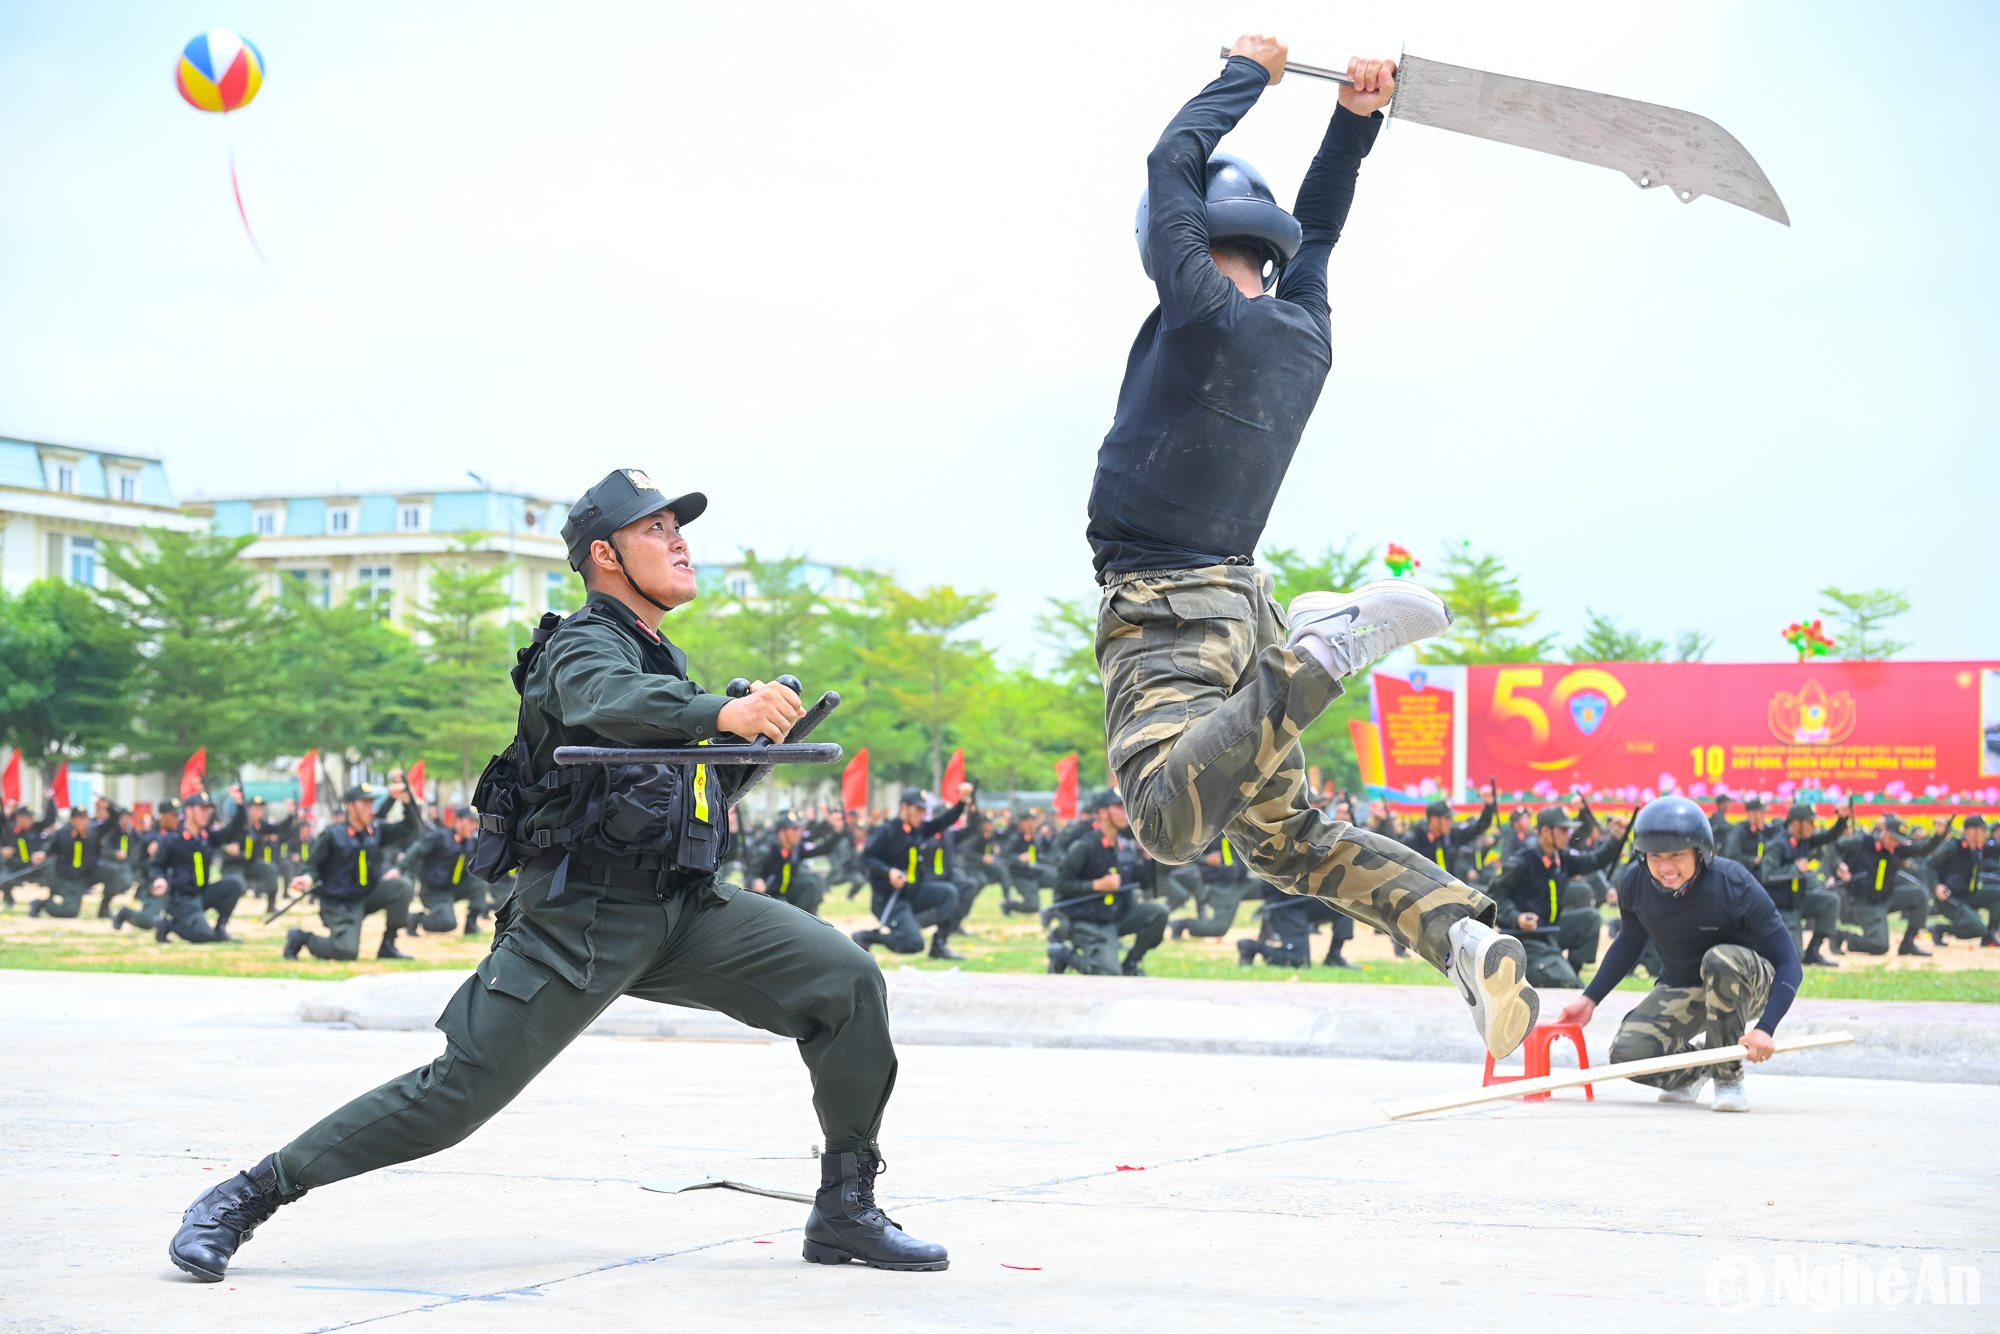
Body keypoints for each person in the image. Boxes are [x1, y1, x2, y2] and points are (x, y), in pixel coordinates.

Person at [170, 468, 946, 1283]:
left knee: (847, 980)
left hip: (684, 911)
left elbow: (663, 771)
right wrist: (719, 711)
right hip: (578, 920)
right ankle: (247, 1196)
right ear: (605, 555)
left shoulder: (657, 656)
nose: (680, 541)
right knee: (453, 1098)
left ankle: (845, 1210)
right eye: (657, 530)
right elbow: (603, 698)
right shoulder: (579, 644)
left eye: (679, 527)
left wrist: (737, 745)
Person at [1087, 34, 1535, 1059]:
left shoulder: (1192, 307)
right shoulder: (1303, 331)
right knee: (1287, 838)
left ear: (1191, 247)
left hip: (1172, 608)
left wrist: (1248, 74)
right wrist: (1352, 122)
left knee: (1164, 816)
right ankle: (1462, 933)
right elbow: (1319, 231)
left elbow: (1170, 166)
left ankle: (1323, 654)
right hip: (1242, 602)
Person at [1557, 795, 1803, 1113]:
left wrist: (1765, 1028)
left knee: (1720, 959)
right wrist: (1589, 999)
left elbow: (1789, 963)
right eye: (1655, 856)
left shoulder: (1733, 883)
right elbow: (1629, 942)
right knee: (1629, 1053)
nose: (1665, 866)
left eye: (1677, 855)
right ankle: (1692, 1076)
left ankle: (1728, 1079)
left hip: (1748, 984)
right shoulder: (1634, 882)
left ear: (1700, 853)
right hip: (1685, 984)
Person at [1491, 806, 1626, 989]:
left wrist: (1616, 837)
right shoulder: (1522, 861)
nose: (1568, 834)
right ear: (1546, 831)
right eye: (1563, 830)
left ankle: (1570, 969)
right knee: (1569, 983)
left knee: (1591, 918)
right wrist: (1517, 918)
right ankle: (1558, 973)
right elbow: (1495, 897)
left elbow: (1594, 860)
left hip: (1550, 931)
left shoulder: (1561, 858)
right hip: (1525, 938)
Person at [280, 786, 417, 961]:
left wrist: (406, 802)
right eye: (365, 803)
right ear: (351, 807)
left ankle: (388, 946)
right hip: (340, 903)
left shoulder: (375, 831)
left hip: (366, 895)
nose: (371, 809)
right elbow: (311, 865)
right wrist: (307, 878)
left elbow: (410, 828)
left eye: (372, 803)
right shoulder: (333, 835)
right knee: (345, 952)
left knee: (402, 886)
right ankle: (301, 938)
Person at [1045, 791, 1169, 977]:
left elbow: (1143, 884)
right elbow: (1061, 884)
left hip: (1117, 916)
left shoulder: (1125, 846)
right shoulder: (1084, 846)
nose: (1124, 813)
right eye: (1119, 807)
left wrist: (1148, 859)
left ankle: (1131, 963)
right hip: (1088, 921)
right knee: (1108, 974)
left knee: (1158, 912)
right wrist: (1096, 885)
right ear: (1103, 813)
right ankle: (1063, 955)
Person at [855, 788, 969, 960]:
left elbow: (944, 821)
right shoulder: (888, 831)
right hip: (890, 898)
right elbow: (866, 858)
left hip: (913, 892)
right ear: (904, 807)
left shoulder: (919, 829)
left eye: (924, 810)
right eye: (918, 809)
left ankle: (938, 944)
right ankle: (866, 937)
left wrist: (962, 802)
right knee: (913, 944)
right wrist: (889, 872)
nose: (922, 814)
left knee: (949, 893)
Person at [1834, 811, 1952, 956]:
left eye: (1898, 840)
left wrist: (1939, 835)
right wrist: (1838, 865)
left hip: (1886, 897)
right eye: (1892, 838)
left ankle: (1908, 943)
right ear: (1884, 831)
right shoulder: (1863, 842)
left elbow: (1923, 848)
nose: (1895, 843)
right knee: (1879, 946)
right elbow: (1834, 848)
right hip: (1863, 901)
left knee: (1920, 895)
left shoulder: (1897, 849)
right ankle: (1842, 936)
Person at [1755, 802, 1848, 966]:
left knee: (1830, 901)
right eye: (1810, 822)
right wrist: (1795, 868)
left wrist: (1842, 820)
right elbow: (1767, 875)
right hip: (1783, 908)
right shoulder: (1777, 845)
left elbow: (1829, 836)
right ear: (1797, 823)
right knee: (1794, 957)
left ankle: (1813, 951)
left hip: (1799, 901)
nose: (1814, 826)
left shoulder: (1804, 841)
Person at [149, 793, 246, 944]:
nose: (207, 814)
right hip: (181, 898)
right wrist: (159, 880)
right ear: (188, 811)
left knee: (234, 884)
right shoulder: (173, 839)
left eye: (208, 810)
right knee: (204, 937)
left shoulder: (206, 837)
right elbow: (157, 866)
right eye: (202, 809)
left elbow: (232, 830)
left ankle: (220, 929)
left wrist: (240, 805)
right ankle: (168, 925)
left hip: (202, 893)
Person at [403, 805, 490, 937]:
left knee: (479, 879)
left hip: (454, 888)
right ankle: (416, 919)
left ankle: (471, 924)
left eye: (476, 823)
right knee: (447, 923)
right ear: (459, 821)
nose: (474, 827)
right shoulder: (440, 837)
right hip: (434, 891)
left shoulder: (471, 842)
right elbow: (416, 851)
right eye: (471, 822)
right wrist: (400, 869)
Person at [1930, 814, 2000, 947]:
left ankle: (1990, 936)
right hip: (1949, 897)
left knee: (1998, 893)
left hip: (1969, 894)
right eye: (1982, 830)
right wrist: (1936, 885)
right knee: (1978, 928)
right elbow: (1930, 866)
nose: (1986, 834)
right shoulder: (1953, 848)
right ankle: (1940, 929)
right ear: (1971, 831)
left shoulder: (1980, 849)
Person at [751, 816, 834, 917]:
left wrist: (838, 833)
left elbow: (821, 850)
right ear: (782, 832)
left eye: (800, 829)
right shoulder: (767, 851)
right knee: (785, 905)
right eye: (794, 829)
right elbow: (751, 875)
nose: (799, 833)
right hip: (772, 897)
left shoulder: (796, 848)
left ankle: (808, 919)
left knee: (813, 882)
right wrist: (755, 881)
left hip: (789, 892)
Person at [29, 806, 99, 918]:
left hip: (86, 875)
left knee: (112, 872)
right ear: (72, 820)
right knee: (71, 911)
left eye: (84, 818)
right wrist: (43, 854)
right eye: (78, 818)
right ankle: (42, 904)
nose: (81, 821)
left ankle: (105, 908)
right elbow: (52, 848)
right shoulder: (64, 833)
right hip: (68, 878)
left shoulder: (93, 833)